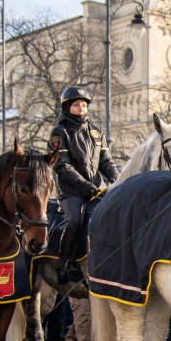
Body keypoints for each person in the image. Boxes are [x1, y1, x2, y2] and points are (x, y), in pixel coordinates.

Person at [48, 86, 118, 284]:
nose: (81, 108)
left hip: (96, 188)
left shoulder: (96, 132)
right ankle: (64, 263)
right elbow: (61, 164)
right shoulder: (59, 133)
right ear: (67, 107)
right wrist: (83, 184)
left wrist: (118, 180)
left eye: (84, 105)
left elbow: (106, 161)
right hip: (71, 192)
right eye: (77, 105)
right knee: (75, 222)